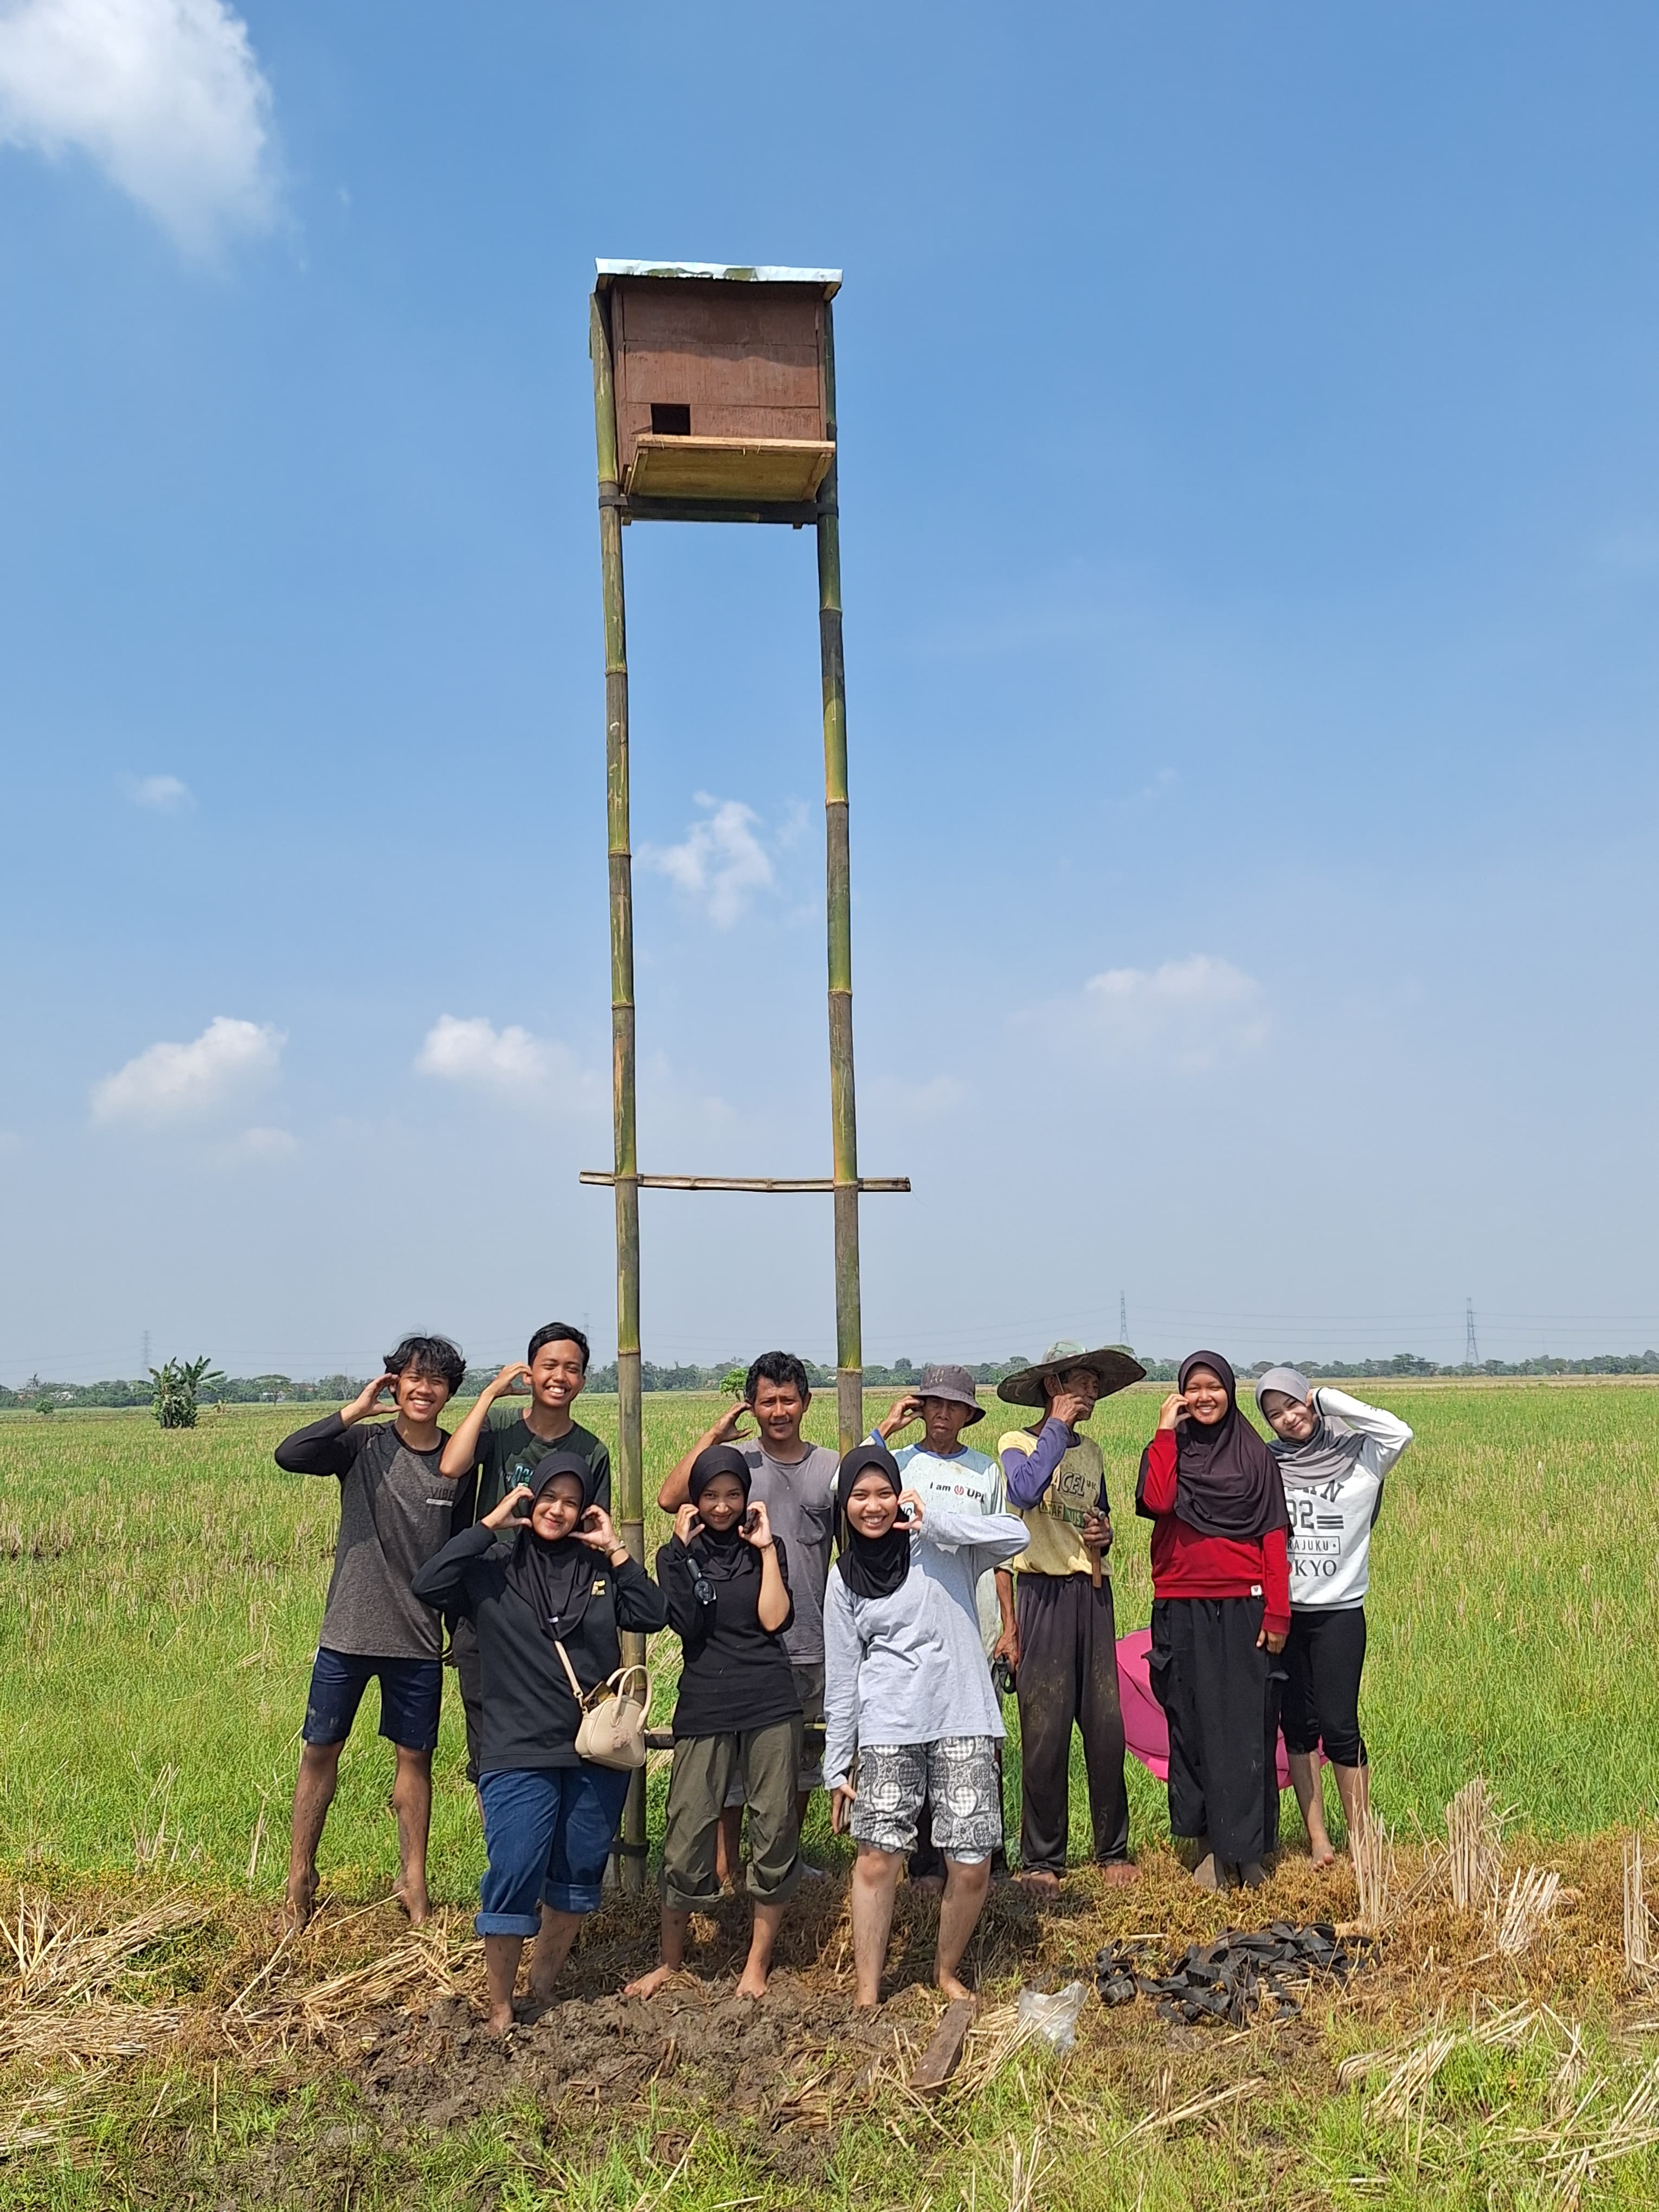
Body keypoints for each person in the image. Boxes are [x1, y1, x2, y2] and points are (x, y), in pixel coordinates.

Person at [410, 1454, 667, 2035]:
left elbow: (653, 1614)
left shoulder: (597, 1570)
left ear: (586, 1510)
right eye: (549, 1497)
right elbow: (428, 1583)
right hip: (517, 1747)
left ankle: (543, 1986)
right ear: (529, 1499)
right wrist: (488, 1526)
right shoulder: (492, 1568)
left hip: (594, 1751)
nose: (558, 1510)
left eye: (571, 1502)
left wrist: (616, 1549)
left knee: (578, 1871)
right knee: (514, 1868)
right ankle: (501, 2005)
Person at [824, 1441, 1028, 2008]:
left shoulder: (942, 1544)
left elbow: (1017, 1536)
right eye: (859, 1496)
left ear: (901, 1495)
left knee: (972, 1861)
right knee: (878, 1859)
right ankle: (868, 1990)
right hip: (889, 1726)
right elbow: (842, 1678)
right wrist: (836, 1763)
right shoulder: (844, 1579)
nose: (873, 1506)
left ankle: (945, 1971)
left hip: (963, 1716)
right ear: (844, 1505)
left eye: (884, 1493)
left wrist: (935, 1520)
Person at [273, 1333, 467, 1931]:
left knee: (416, 1759)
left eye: (436, 1381)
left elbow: (462, 1551)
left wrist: (457, 1626)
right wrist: (353, 1412)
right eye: (413, 1377)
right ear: (394, 1383)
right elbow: (290, 1454)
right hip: (348, 1633)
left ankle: (413, 1881)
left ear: (449, 1392)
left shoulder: (457, 1461)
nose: (424, 1389)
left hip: (417, 1638)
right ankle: (299, 1879)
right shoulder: (362, 1444)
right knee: (319, 1750)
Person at [626, 1445, 802, 2002]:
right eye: (710, 1496)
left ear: (747, 1497)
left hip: (770, 1701)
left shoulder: (766, 1549)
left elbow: (775, 1619)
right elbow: (687, 1624)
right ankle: (670, 1961)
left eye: (732, 1495)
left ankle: (757, 1965)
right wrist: (680, 1553)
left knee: (774, 1827)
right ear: (695, 1502)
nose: (722, 1506)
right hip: (705, 1703)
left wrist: (766, 1548)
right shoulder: (676, 1555)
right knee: (687, 1828)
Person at [658, 1352, 838, 1878]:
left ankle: (784, 1860)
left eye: (788, 1400)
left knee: (798, 1764)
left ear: (806, 1402)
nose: (779, 1411)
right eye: (767, 1401)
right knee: (734, 1771)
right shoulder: (735, 1462)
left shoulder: (829, 1467)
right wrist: (714, 1435)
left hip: (809, 1635)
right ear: (751, 1407)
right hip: (738, 1641)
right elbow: (670, 1498)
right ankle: (726, 1867)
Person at [995, 1339, 1145, 1894]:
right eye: (1082, 1382)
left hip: (1092, 1593)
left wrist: (1105, 1535)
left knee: (1105, 1727)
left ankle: (1113, 1850)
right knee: (1045, 1729)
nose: (1092, 1392)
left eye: (1095, 1385)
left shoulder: (1094, 1452)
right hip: (1041, 1594)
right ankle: (1042, 1859)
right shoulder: (1016, 1444)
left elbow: (1098, 1519)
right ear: (1053, 1386)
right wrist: (1057, 1426)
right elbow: (1025, 1489)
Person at [1135, 1351, 1290, 1890]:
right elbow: (1158, 1501)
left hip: (1246, 1605)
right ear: (1182, 1394)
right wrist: (1164, 1432)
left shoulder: (1255, 1456)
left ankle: (1247, 1852)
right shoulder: (1167, 1449)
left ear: (1229, 1391)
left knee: (1247, 1728)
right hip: (1181, 1604)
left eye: (1214, 1387)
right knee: (1192, 1723)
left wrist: (1278, 1611)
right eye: (1194, 1388)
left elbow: (1273, 1535)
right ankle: (1206, 1847)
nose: (1205, 1398)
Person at [1255, 1367, 1414, 1864]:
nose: (1288, 1418)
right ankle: (1318, 1840)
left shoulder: (1361, 1457)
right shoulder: (1268, 1465)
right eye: (1274, 1414)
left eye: (1293, 1404)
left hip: (1340, 1613)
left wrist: (1326, 1397)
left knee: (1341, 1726)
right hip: (1285, 1616)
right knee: (1298, 1727)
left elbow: (1399, 1431)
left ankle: (1363, 1841)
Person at [440, 1323, 610, 1787]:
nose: (560, 1377)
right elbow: (451, 1465)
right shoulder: (499, 1428)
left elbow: (591, 1534)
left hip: (556, 1606)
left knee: (559, 1738)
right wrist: (489, 1395)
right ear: (529, 1372)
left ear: (583, 1380)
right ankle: (502, 1830)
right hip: (491, 1599)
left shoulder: (591, 1451)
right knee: (488, 1743)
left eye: (572, 1368)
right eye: (549, 1366)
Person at [870, 1363, 1016, 1890]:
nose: (943, 1414)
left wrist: (1009, 1626)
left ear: (967, 1415)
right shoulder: (898, 1463)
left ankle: (988, 1859)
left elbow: (1004, 1549)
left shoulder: (985, 1472)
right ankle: (927, 1863)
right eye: (934, 1403)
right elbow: (846, 1486)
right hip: (913, 1631)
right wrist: (886, 1428)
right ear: (921, 1408)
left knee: (980, 1744)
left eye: (954, 1406)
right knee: (923, 1739)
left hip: (975, 1626)